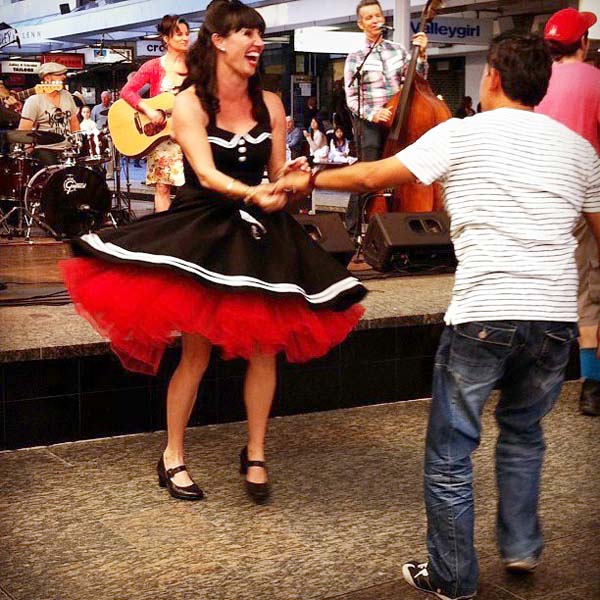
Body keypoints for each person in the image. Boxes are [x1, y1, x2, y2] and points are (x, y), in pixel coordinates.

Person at [277, 32, 600, 599]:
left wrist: (311, 178)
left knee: (451, 452)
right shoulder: (579, 150)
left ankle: (452, 577)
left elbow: (374, 177)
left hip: (485, 311)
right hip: (553, 318)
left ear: (492, 77)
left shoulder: (461, 133)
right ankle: (521, 548)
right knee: (524, 433)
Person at [60, 0, 366, 505]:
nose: (257, 42)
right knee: (196, 350)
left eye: (259, 34)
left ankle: (256, 452)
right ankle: (172, 454)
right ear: (219, 41)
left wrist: (290, 181)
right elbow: (205, 173)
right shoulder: (189, 104)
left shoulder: (270, 103)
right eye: (246, 32)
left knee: (265, 346)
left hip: (259, 233)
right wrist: (255, 194)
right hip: (205, 228)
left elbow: (275, 174)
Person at [536, 8, 600, 417]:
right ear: (583, 43)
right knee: (590, 290)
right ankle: (592, 385)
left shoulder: (534, 82)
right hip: (586, 198)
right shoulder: (596, 80)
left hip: (540, 198)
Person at [343, 0, 428, 238]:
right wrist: (373, 113)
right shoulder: (355, 57)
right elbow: (351, 98)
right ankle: (351, 233)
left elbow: (418, 81)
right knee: (367, 177)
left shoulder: (398, 50)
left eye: (377, 16)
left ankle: (403, 230)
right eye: (369, 17)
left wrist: (421, 56)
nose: (375, 20)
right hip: (370, 124)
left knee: (405, 172)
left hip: (399, 120)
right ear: (361, 24)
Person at [119, 15, 189, 212]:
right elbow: (127, 91)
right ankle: (164, 227)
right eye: (179, 34)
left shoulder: (197, 66)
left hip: (190, 134)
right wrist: (149, 110)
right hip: (163, 136)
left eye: (187, 34)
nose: (185, 38)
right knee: (163, 187)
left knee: (192, 187)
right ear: (166, 38)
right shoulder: (153, 66)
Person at [18, 62, 80, 168]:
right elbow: (23, 130)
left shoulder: (67, 95)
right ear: (47, 78)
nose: (64, 77)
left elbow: (74, 121)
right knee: (55, 171)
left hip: (68, 148)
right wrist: (29, 150)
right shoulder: (34, 100)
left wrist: (78, 142)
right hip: (45, 149)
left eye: (64, 74)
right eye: (59, 74)